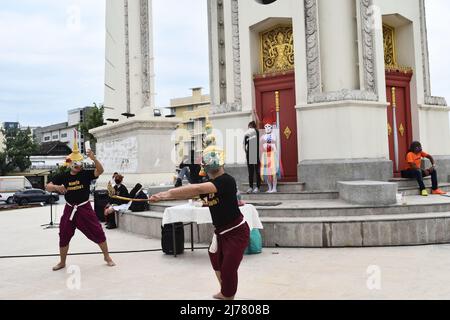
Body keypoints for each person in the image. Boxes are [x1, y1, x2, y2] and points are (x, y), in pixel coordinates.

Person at [150, 143, 250, 300]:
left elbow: (197, 189)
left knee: (228, 268)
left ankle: (228, 295)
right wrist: (162, 196)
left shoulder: (226, 180)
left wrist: (165, 194)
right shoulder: (208, 184)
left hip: (236, 231)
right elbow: (190, 193)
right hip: (220, 232)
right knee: (215, 259)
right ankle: (225, 291)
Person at [46, 147, 115, 271]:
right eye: (75, 163)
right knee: (64, 234)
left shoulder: (85, 174)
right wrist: (57, 187)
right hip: (70, 209)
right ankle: (62, 262)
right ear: (70, 163)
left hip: (84, 208)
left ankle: (107, 257)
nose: (78, 166)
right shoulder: (63, 176)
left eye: (79, 163)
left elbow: (100, 170)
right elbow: (48, 186)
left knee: (97, 231)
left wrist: (93, 158)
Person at [260, 114, 281, 193]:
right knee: (266, 172)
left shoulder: (273, 135)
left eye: (269, 126)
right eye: (265, 126)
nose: (267, 128)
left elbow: (275, 146)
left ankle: (274, 188)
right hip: (265, 156)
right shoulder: (262, 137)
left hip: (272, 155)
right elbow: (261, 147)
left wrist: (270, 146)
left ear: (271, 127)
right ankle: (269, 187)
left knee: (273, 172)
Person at [243, 121, 261, 194]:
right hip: (250, 152)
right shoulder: (249, 134)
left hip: (253, 152)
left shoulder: (255, 132)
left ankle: (257, 187)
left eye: (250, 126)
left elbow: (244, 144)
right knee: (251, 171)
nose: (249, 128)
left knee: (255, 171)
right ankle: (251, 187)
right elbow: (244, 143)